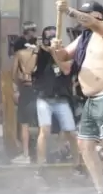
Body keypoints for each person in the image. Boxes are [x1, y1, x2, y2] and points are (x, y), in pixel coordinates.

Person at [52, 0, 103, 194]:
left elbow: (91, 22)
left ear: (98, 15)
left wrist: (69, 11)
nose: (83, 17)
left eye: (86, 13)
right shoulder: (83, 38)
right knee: (85, 144)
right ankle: (101, 191)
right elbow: (64, 60)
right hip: (91, 98)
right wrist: (54, 49)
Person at [31, 25, 82, 177]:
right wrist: (37, 50)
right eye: (48, 38)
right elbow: (28, 69)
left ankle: (77, 164)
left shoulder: (66, 53)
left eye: (54, 36)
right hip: (44, 98)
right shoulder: (41, 55)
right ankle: (41, 165)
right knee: (44, 130)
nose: (51, 40)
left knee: (71, 133)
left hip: (61, 99)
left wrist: (55, 51)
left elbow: (66, 69)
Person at [10, 25, 38, 165]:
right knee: (42, 123)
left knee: (24, 123)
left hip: (26, 89)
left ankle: (26, 154)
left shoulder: (19, 54)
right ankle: (41, 153)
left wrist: (16, 88)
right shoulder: (40, 54)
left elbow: (14, 73)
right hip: (39, 89)